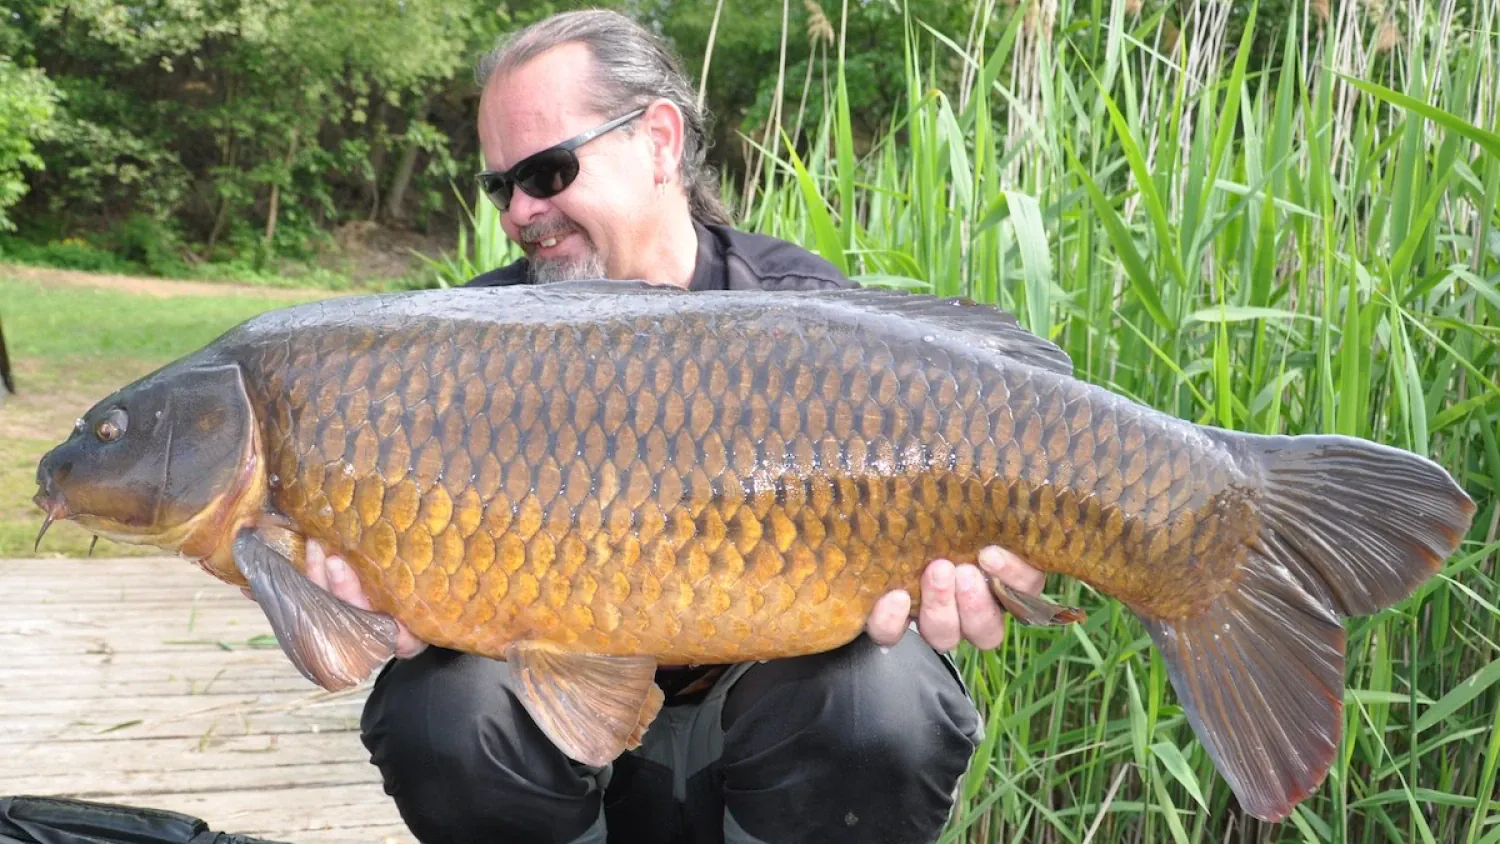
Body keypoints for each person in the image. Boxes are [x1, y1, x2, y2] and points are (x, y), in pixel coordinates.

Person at [291, 10, 1049, 844]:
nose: (518, 211)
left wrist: (993, 555)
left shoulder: (805, 319)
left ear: (659, 141)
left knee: (884, 701)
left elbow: (972, 476)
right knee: (440, 708)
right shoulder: (470, 346)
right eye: (499, 186)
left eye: (547, 170)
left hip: (766, 730)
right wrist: (380, 591)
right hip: (567, 747)